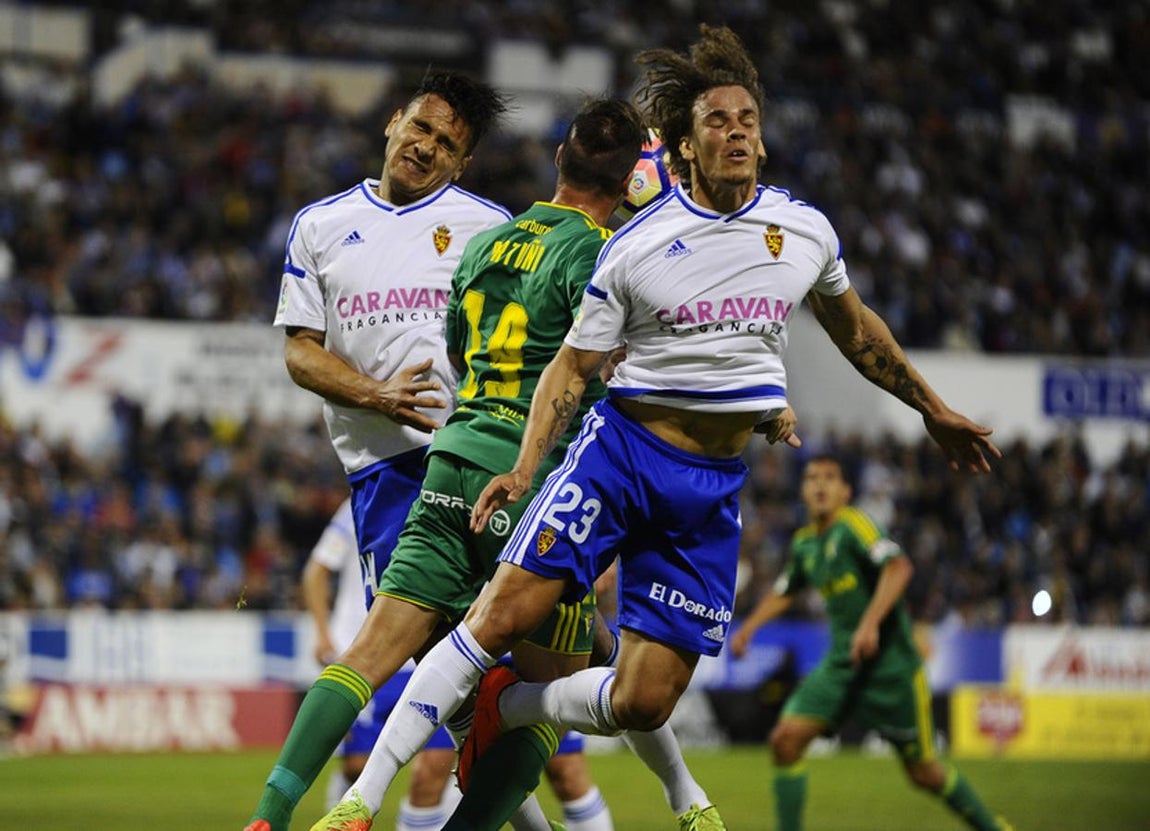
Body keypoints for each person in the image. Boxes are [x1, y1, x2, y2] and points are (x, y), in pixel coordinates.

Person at [354, 21, 1001, 831]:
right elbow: (573, 369)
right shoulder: (632, 246)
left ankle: (512, 706)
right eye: (717, 122)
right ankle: (358, 801)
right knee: (498, 615)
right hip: (620, 454)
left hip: (709, 491)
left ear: (761, 144)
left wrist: (933, 409)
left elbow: (858, 331)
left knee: (642, 699)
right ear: (686, 149)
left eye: (748, 122)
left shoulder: (803, 232)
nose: (737, 132)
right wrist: (525, 468)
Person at [312, 98, 719, 831]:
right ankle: (684, 799)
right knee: (543, 701)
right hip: (546, 481)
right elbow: (619, 366)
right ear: (632, 184)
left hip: (455, 454)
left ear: (560, 157)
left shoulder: (489, 243)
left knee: (533, 665)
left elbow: (463, 352)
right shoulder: (603, 256)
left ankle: (351, 799)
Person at [244, 69, 512, 831]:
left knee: (443, 671)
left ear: (462, 164)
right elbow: (300, 353)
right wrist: (377, 393)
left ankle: (280, 813)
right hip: (380, 475)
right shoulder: (321, 225)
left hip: (469, 459)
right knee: (468, 696)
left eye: (447, 143)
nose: (426, 147)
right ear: (392, 122)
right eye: (421, 128)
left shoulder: (488, 226)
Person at [728, 456, 1014, 831]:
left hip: (889, 668)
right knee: (786, 739)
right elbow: (786, 590)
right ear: (802, 490)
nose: (820, 485)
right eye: (812, 478)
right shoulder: (805, 543)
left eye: (830, 478)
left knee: (924, 773)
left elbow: (899, 568)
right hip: (842, 664)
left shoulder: (854, 527)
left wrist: (869, 624)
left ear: (845, 491)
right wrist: (749, 628)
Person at [301, 498, 461, 830]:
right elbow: (316, 571)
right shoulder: (362, 501)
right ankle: (340, 803)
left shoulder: (448, 493)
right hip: (366, 653)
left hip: (428, 656)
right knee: (357, 767)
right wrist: (322, 634)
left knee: (432, 771)